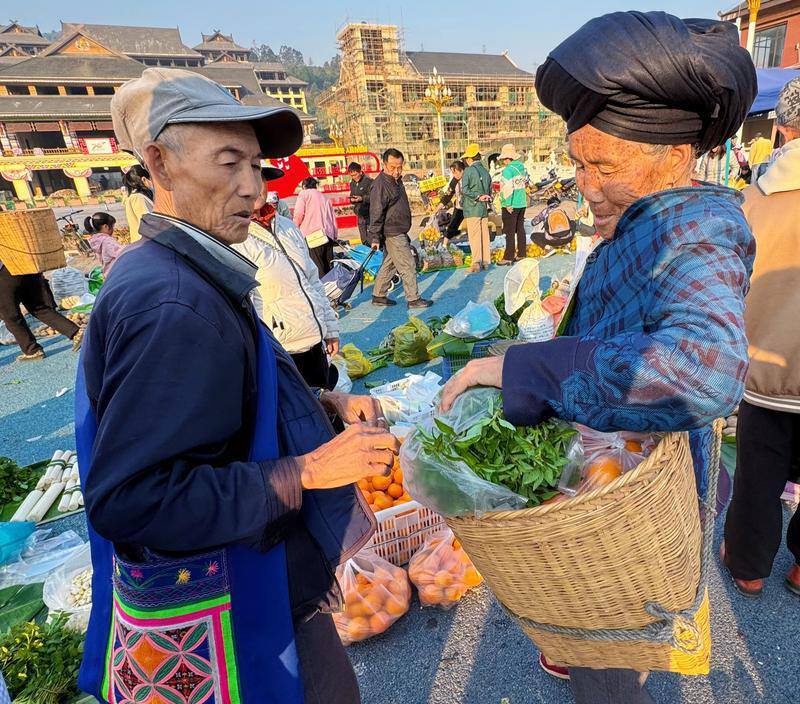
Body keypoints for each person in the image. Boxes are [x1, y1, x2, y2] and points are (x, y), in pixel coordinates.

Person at [439, 11, 756, 704]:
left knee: (612, 672)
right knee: (596, 655)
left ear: (675, 155)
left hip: (629, 516)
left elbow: (707, 369)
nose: (583, 184)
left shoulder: (698, 230)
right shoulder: (651, 215)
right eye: (579, 162)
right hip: (601, 477)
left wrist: (526, 370)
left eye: (601, 165)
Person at [77, 67, 400, 704]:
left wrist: (318, 405)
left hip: (266, 582)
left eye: (256, 165)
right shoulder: (172, 302)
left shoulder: (181, 269)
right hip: (231, 605)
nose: (252, 189)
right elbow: (134, 497)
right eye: (229, 163)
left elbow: (219, 411)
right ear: (159, 163)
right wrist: (305, 470)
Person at [723, 76, 800, 599]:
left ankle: (749, 566)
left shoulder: (756, 198)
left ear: (782, 128)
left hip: (766, 368)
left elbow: (730, 280)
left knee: (758, 472)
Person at [234, 167, 340, 390]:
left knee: (326, 409)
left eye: (261, 179)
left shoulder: (287, 225)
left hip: (313, 340)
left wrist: (329, 328)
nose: (257, 187)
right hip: (281, 349)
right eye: (250, 177)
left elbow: (313, 280)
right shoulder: (235, 236)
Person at [369, 148, 432, 308]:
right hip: (393, 231)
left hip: (399, 229)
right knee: (407, 264)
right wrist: (375, 236)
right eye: (392, 167)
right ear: (384, 164)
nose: (397, 171)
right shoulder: (381, 184)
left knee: (390, 263)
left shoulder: (396, 181)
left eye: (400, 167)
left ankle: (378, 295)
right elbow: (376, 212)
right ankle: (413, 299)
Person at [0, 262, 83, 361]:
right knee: (38, 307)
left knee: (10, 316)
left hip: (4, 274)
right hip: (25, 266)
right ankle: (76, 333)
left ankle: (32, 350)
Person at [293, 176, 338, 277]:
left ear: (304, 186)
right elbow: (333, 218)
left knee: (318, 268)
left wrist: (295, 229)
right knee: (329, 267)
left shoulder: (304, 194)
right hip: (328, 235)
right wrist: (335, 236)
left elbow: (299, 214)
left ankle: (324, 291)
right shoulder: (324, 197)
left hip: (313, 236)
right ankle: (334, 290)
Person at [460, 143, 493, 272]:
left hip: (472, 208)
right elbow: (490, 190)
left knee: (474, 237)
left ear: (470, 158)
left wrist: (478, 196)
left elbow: (465, 190)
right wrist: (485, 197)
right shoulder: (485, 171)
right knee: (484, 235)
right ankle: (486, 262)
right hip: (484, 209)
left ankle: (476, 263)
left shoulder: (468, 170)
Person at [498, 143, 529, 264]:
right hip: (522, 202)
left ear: (507, 159)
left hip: (511, 204)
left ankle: (508, 257)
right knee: (520, 229)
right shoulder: (521, 168)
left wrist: (507, 204)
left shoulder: (508, 170)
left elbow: (507, 189)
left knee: (509, 232)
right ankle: (521, 253)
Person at [121, 163, 153, 243]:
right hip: (145, 243)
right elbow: (149, 223)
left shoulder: (134, 196)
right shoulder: (138, 198)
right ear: (144, 179)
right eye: (151, 178)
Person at [439, 159, 466, 243]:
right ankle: (444, 245)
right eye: (452, 173)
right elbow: (448, 194)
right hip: (459, 207)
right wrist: (438, 207)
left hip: (470, 207)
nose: (454, 175)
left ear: (462, 171)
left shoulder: (468, 178)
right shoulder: (454, 180)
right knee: (452, 226)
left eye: (455, 172)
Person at [348, 162, 373, 245]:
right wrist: (352, 200)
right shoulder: (352, 183)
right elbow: (351, 195)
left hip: (370, 214)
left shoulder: (369, 182)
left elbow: (374, 197)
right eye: (352, 176)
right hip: (360, 215)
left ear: (360, 172)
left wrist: (362, 198)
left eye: (355, 175)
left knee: (372, 238)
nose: (354, 177)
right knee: (364, 239)